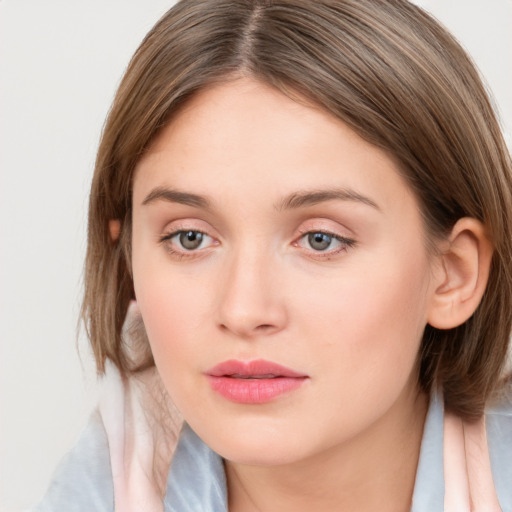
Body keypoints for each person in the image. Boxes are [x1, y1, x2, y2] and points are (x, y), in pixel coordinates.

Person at [33, 0, 512, 511]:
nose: (244, 311)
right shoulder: (96, 490)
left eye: (321, 239)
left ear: (452, 275)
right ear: (129, 262)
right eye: (189, 238)